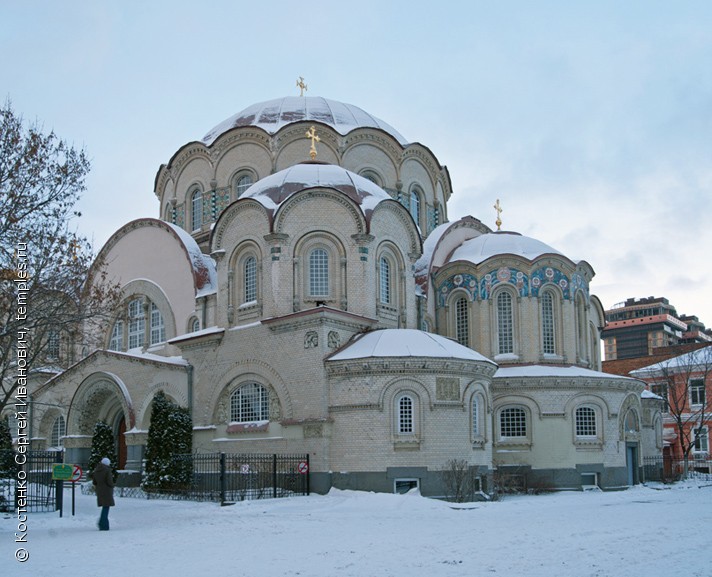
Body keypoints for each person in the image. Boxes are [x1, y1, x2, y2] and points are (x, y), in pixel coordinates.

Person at [92, 457, 115, 531]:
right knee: (106, 507)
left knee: (104, 506)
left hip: (99, 490)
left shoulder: (96, 470)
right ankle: (103, 524)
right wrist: (112, 485)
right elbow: (109, 481)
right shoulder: (107, 470)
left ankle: (102, 523)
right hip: (107, 491)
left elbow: (94, 482)